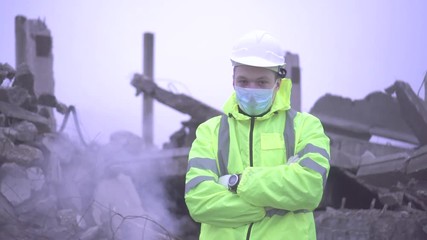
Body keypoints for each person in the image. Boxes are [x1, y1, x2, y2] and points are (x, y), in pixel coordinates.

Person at [184, 30, 330, 240]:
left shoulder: (306, 127)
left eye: (261, 82)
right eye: (243, 81)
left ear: (277, 84)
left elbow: (310, 188)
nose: (252, 89)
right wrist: (269, 207)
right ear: (233, 81)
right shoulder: (209, 132)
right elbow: (199, 201)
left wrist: (236, 182)